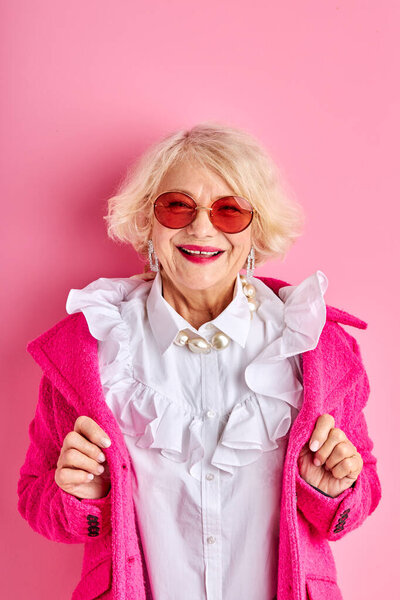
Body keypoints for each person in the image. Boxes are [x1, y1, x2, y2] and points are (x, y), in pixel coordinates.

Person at [18, 122, 382, 600]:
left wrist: (332, 489)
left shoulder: (315, 347)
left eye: (229, 211)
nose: (201, 227)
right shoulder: (89, 352)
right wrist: (81, 496)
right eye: (177, 206)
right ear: (148, 220)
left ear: (257, 230)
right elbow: (37, 500)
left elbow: (361, 494)